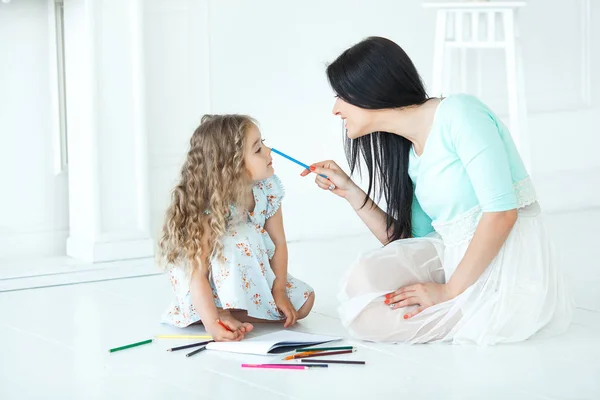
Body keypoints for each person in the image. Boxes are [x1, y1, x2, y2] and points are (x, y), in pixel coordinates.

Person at [302, 36, 573, 344]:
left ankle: (469, 307)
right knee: (363, 278)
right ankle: (454, 306)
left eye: (341, 95)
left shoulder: (460, 113)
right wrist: (351, 192)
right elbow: (410, 243)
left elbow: (501, 214)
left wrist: (448, 292)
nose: (335, 110)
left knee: (370, 318)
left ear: (371, 88)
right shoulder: (410, 153)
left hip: (508, 266)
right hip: (457, 260)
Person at [159, 114, 315, 341]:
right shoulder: (210, 205)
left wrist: (279, 290)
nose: (269, 151)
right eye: (257, 149)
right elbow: (197, 274)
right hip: (205, 284)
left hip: (251, 274)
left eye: (263, 144)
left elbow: (279, 242)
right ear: (231, 166)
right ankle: (217, 311)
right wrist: (213, 324)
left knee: (305, 302)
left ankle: (237, 311)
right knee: (241, 235)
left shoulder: (267, 188)